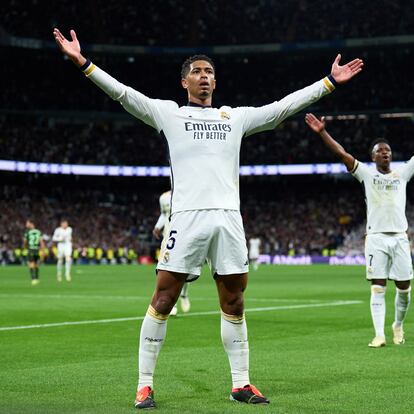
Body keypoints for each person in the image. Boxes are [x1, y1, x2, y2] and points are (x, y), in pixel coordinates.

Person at [53, 27, 363, 408]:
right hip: (186, 219)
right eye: (198, 71)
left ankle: (241, 384)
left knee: (234, 303)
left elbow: (283, 107)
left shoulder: (235, 118)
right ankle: (145, 384)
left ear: (216, 81)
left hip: (229, 219)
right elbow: (122, 93)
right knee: (164, 298)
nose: (205, 76)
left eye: (210, 72)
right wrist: (83, 63)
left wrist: (329, 82)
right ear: (184, 81)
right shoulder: (168, 113)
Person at [305, 113, 412, 348]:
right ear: (373, 156)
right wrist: (323, 132)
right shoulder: (366, 173)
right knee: (378, 286)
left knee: (404, 288)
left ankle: (397, 325)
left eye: (388, 150)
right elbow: (342, 154)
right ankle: (379, 334)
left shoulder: (402, 174)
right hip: (375, 238)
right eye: (380, 150)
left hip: (400, 238)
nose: (385, 153)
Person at [153, 190, 190, 315]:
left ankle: (184, 295)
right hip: (169, 237)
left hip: (185, 234)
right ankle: (170, 303)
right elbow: (164, 214)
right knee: (165, 268)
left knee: (184, 269)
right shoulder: (164, 197)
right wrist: (158, 226)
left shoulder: (188, 192)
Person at [23, 219, 45, 285]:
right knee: (37, 264)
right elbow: (42, 242)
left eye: (27, 223)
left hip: (31, 249)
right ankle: (37, 278)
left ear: (31, 224)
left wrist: (25, 247)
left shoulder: (27, 232)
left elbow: (25, 242)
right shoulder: (39, 232)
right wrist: (43, 250)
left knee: (31, 264)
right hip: (37, 249)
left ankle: (33, 278)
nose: (26, 225)